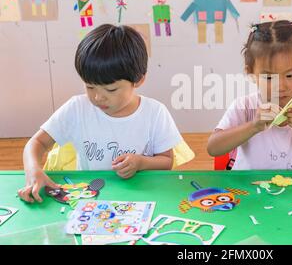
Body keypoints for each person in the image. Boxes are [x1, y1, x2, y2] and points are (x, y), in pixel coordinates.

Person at [18, 24, 183, 203]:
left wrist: (141, 163)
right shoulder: (77, 109)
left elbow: (167, 161)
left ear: (138, 80)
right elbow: (37, 142)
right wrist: (33, 170)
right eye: (90, 86)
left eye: (111, 89)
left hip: (139, 199)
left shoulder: (155, 113)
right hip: (87, 201)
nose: (98, 97)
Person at [207, 20, 292, 170]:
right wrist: (253, 127)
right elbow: (213, 148)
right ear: (251, 74)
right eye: (269, 78)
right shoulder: (244, 106)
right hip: (249, 189)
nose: (281, 86)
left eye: (290, 75)